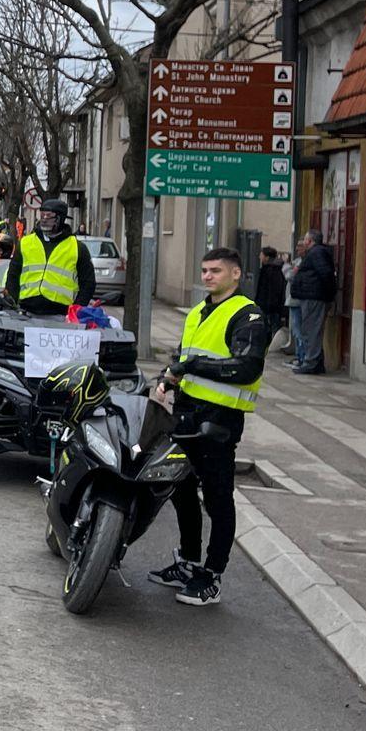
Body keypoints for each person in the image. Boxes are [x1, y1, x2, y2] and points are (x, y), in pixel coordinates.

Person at [149, 247, 267, 608]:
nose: (207, 277)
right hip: (186, 413)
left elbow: (247, 368)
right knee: (181, 489)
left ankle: (212, 577)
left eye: (216, 270)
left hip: (219, 420)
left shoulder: (248, 315)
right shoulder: (200, 310)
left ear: (236, 274)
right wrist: (167, 380)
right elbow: (184, 358)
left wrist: (193, 367)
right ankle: (188, 561)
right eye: (203, 270)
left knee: (218, 499)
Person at [10, 197, 92, 316]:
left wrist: (76, 310)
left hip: (61, 316)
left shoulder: (77, 248)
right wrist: (13, 304)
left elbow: (87, 284)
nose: (43, 220)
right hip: (26, 312)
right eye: (42, 215)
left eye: (48, 216)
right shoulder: (25, 243)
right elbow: (13, 276)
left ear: (60, 219)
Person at [289, 229, 336, 375]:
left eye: (305, 240)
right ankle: (316, 362)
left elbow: (326, 273)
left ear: (310, 241)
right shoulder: (316, 253)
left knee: (312, 331)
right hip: (312, 295)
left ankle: (311, 362)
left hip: (314, 297)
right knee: (311, 330)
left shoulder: (317, 253)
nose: (303, 242)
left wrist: (327, 294)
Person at [253, 245, 287, 314]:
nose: (260, 257)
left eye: (262, 255)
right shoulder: (272, 269)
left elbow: (271, 290)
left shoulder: (271, 270)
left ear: (267, 257)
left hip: (269, 306)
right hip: (269, 305)